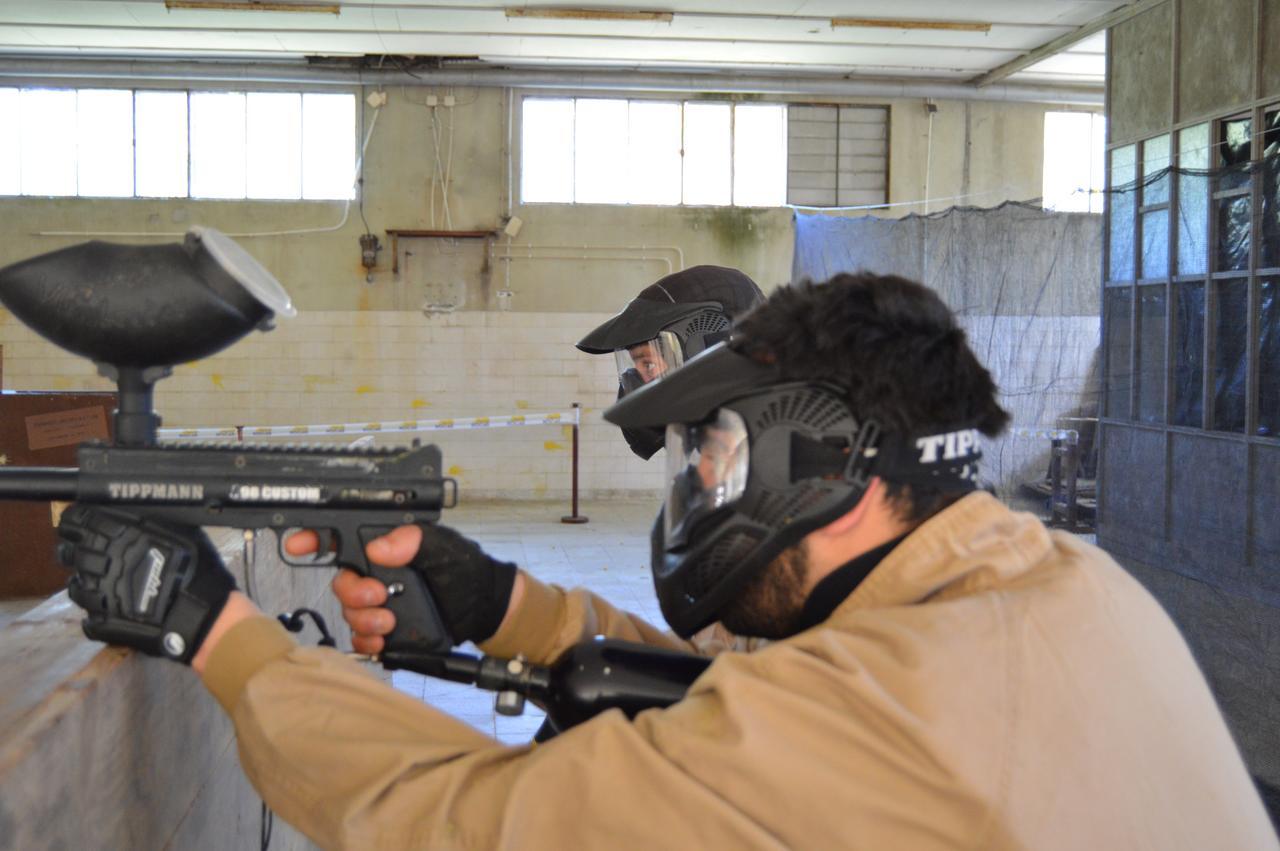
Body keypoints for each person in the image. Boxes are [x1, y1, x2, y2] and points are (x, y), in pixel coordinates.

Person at [55, 273, 1278, 849]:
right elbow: (739, 692)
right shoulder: (1046, 583)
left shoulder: (883, 705)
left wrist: (218, 631)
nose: (693, 474)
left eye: (714, 445)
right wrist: (509, 604)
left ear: (828, 459)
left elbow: (456, 824)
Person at [576, 264, 764, 459]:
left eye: (648, 364)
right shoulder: (725, 436)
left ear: (705, 351)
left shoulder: (778, 439)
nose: (635, 381)